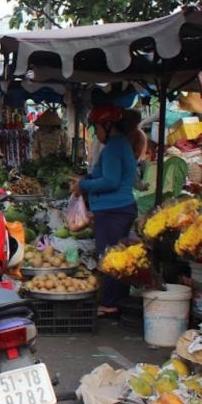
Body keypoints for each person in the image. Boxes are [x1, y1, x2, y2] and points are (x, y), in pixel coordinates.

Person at [71, 106, 137, 317]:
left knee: (109, 257)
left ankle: (110, 303)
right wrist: (85, 180)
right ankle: (117, 301)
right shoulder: (119, 145)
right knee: (117, 256)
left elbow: (110, 181)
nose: (95, 133)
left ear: (108, 127)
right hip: (117, 209)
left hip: (114, 210)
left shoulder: (114, 148)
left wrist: (84, 186)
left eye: (96, 128)